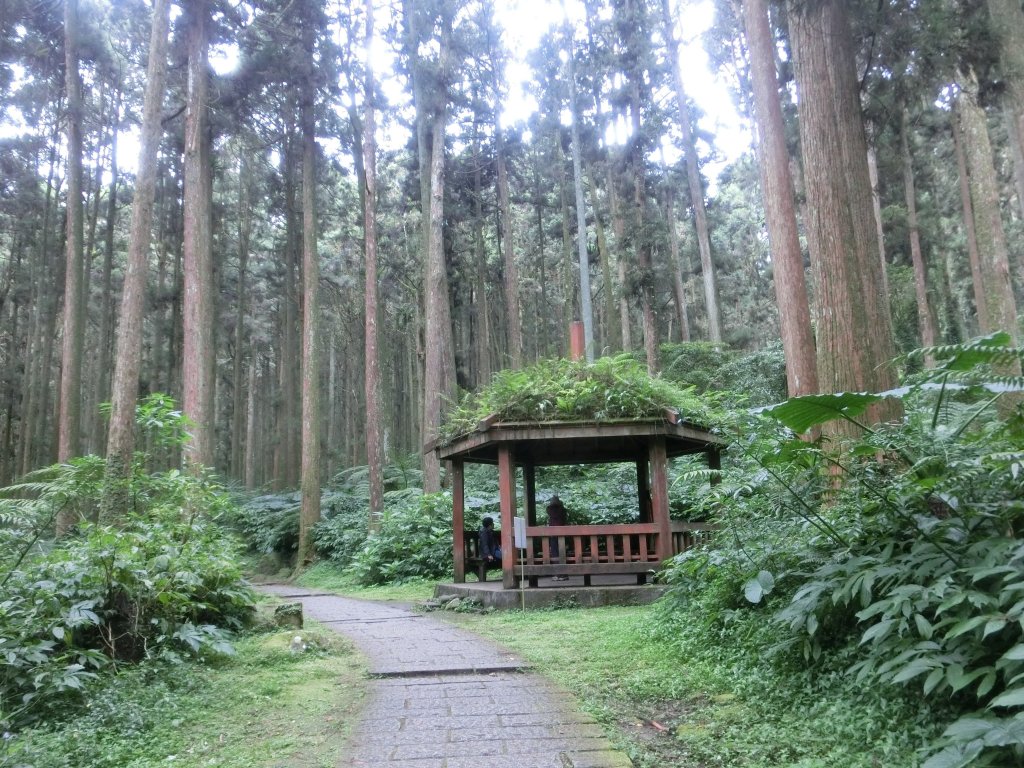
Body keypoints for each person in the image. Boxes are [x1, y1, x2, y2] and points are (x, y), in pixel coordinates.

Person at [546, 495, 569, 581]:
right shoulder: (562, 510)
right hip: (562, 534)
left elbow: (548, 511)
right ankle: (563, 574)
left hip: (554, 535)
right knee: (562, 554)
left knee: (555, 554)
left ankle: (559, 574)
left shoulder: (551, 510)